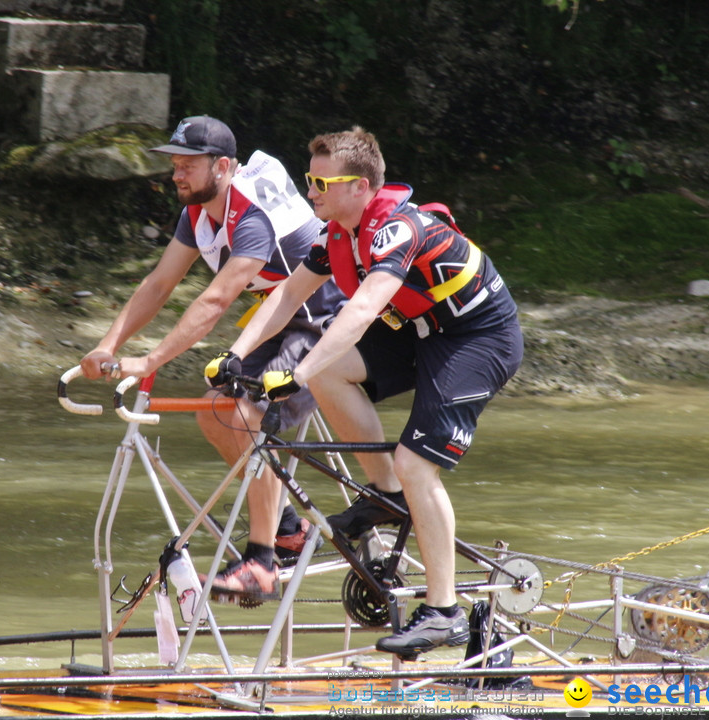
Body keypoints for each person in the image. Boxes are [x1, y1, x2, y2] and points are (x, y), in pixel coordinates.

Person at [208, 127, 523, 656]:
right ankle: (385, 497)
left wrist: (299, 372)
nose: (310, 193)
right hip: (424, 332)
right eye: (310, 180)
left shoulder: (394, 230)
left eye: (320, 183)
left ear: (360, 188)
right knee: (334, 376)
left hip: (478, 337)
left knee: (417, 463)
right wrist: (236, 353)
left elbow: (358, 311)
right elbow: (287, 294)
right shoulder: (335, 234)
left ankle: (443, 611)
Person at [80, 115, 344, 603]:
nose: (176, 175)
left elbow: (216, 300)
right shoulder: (198, 212)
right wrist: (109, 345)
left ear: (222, 167)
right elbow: (159, 283)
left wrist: (149, 360)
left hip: (330, 321)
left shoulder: (251, 215)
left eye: (187, 166)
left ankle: (261, 565)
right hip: (281, 319)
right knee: (216, 411)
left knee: (247, 414)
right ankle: (287, 529)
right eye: (175, 165)